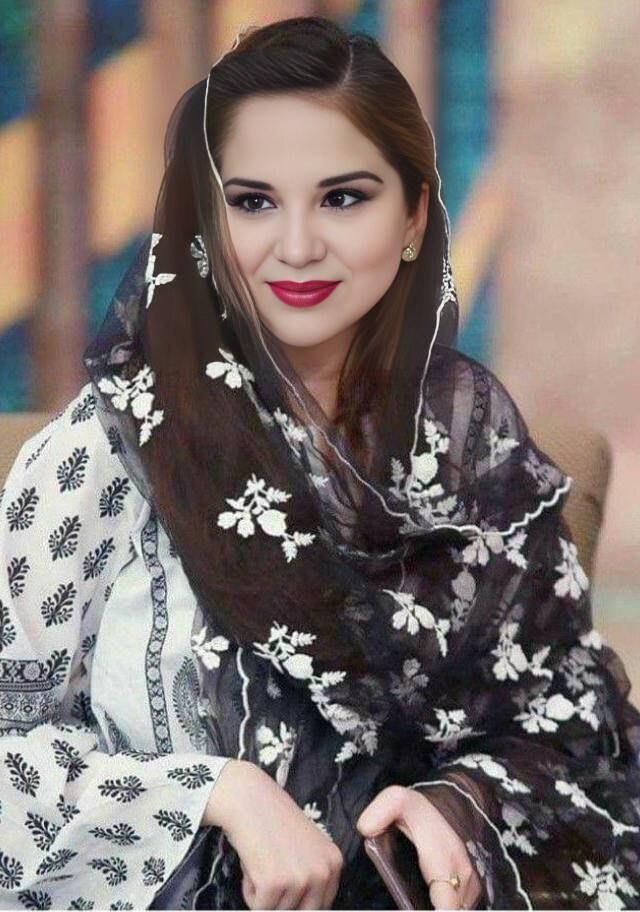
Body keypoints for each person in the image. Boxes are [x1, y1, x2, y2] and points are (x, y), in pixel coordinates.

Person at [1, 14, 639, 911]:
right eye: (252, 201)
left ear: (413, 215)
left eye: (343, 198)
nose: (297, 245)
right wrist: (215, 792)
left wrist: (458, 808)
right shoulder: (106, 452)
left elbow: (574, 734)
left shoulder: (476, 453)